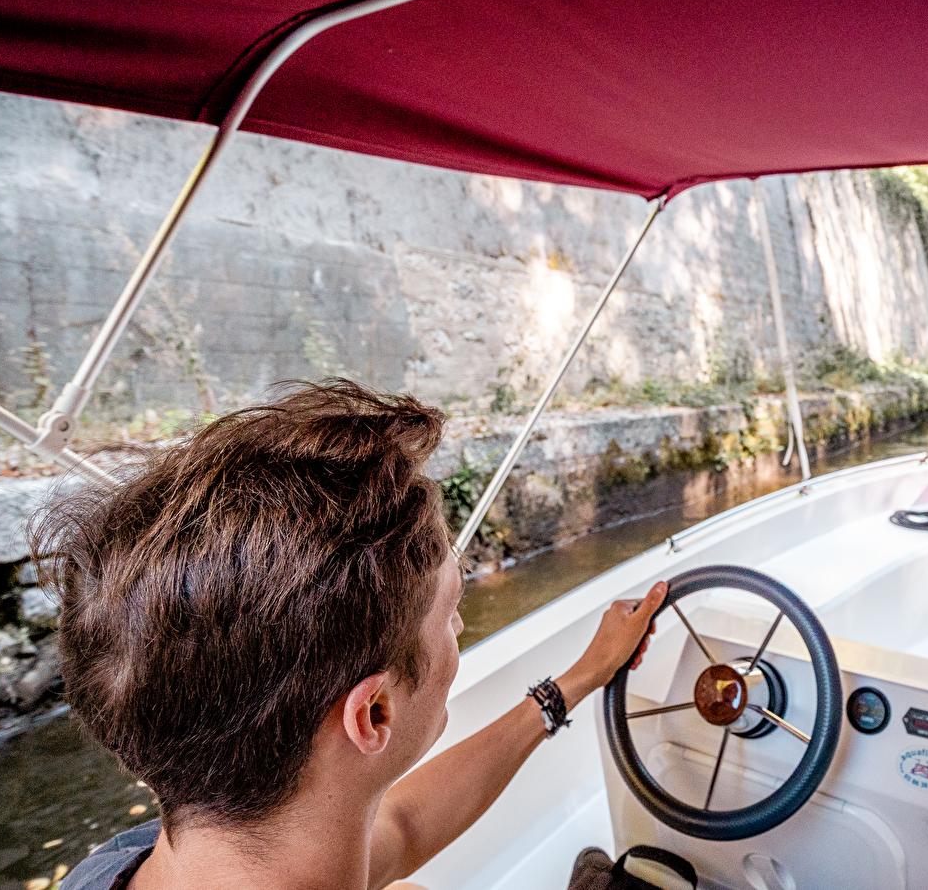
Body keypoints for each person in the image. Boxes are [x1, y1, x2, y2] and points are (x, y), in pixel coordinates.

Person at [32, 380, 666, 890]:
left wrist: (579, 678)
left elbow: (402, 827)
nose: (459, 626)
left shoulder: (143, 859)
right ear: (374, 712)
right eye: (450, 611)